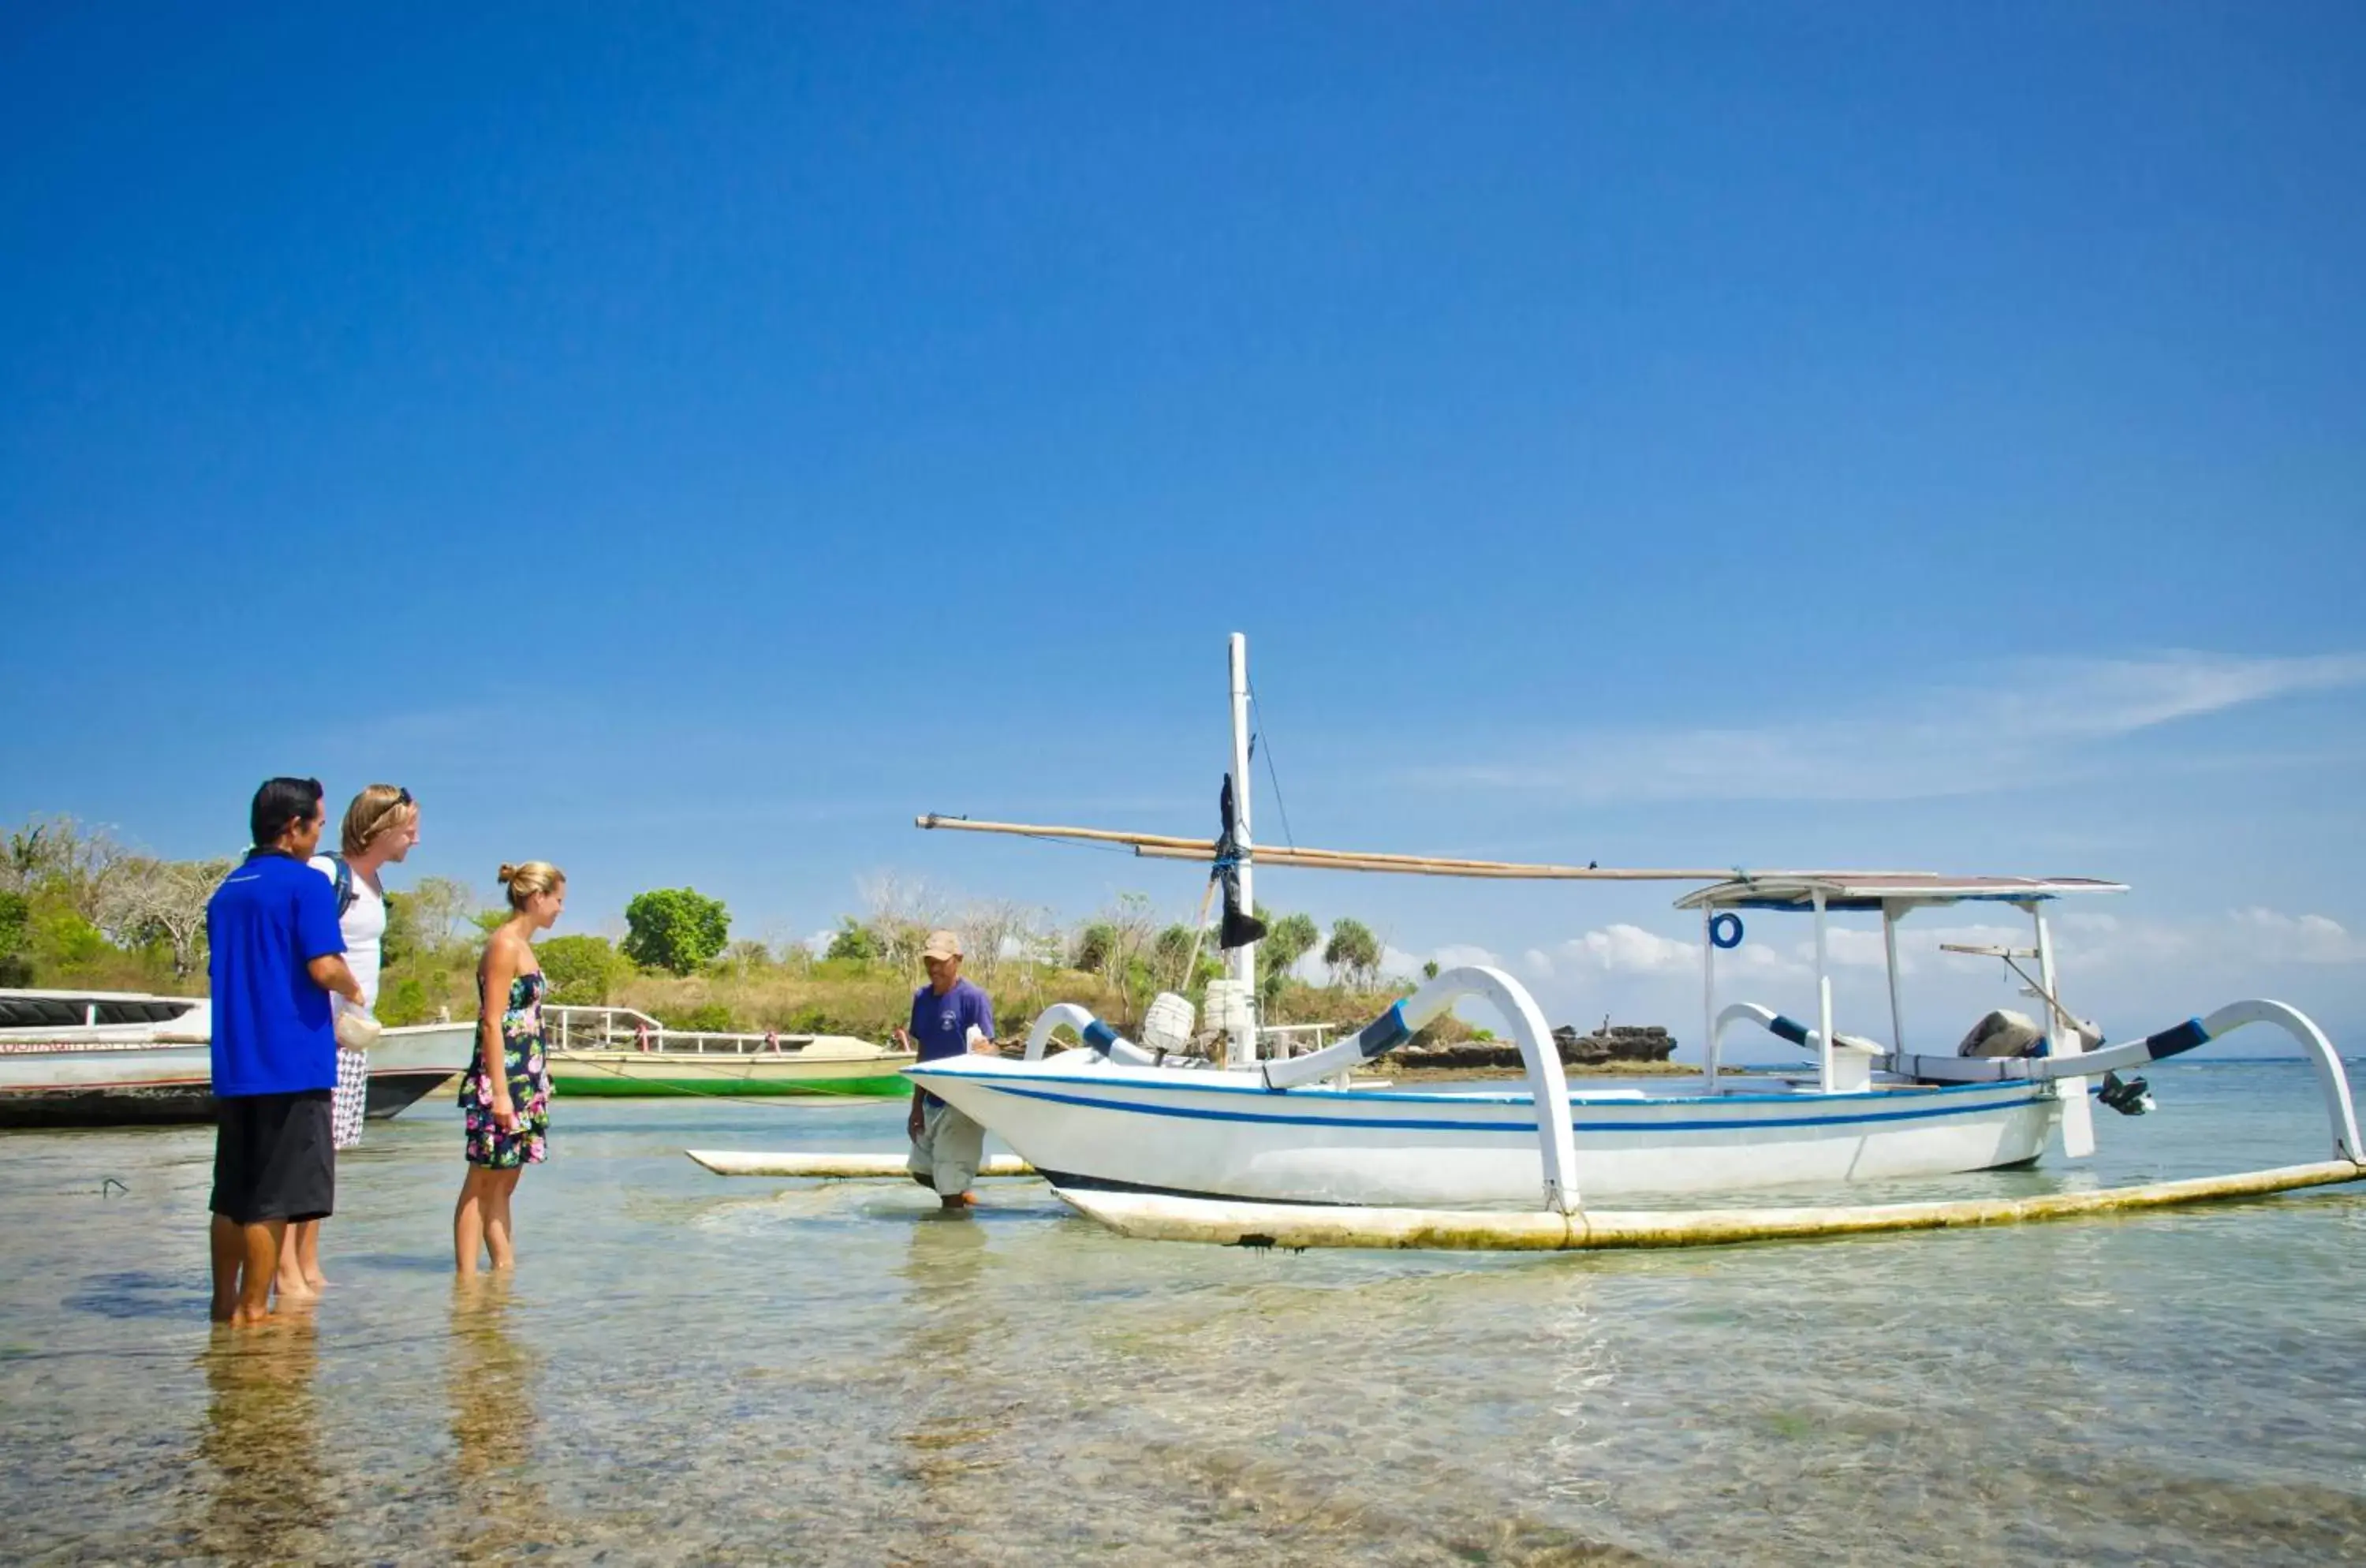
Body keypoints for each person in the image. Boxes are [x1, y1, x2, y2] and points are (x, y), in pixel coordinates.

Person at [206, 778, 362, 1326]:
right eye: (318, 825)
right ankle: (256, 1312)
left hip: (236, 1063)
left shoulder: (228, 889)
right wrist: (353, 986)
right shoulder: (305, 885)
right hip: (291, 1063)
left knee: (231, 1196)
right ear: (293, 828)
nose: (320, 835)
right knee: (273, 1198)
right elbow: (322, 966)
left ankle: (224, 1306)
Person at [274, 784, 420, 1300]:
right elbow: (302, 951)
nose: (415, 840)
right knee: (306, 1149)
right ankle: (285, 1265)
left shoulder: (374, 882)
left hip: (352, 1037)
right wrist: (347, 995)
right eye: (410, 828)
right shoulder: (327, 874)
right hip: (320, 1035)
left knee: (328, 1152)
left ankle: (308, 1260)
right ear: (381, 827)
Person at [453, 861, 564, 1274]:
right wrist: (499, 1093)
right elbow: (492, 1021)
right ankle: (465, 1281)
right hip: (503, 1080)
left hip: (527, 1080)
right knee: (481, 1180)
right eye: (558, 900)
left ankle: (502, 1272)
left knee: (506, 1181)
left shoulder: (525, 945)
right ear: (538, 897)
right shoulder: (504, 944)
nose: (560, 909)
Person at [894, 929, 997, 1208]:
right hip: (932, 1099)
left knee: (949, 1188)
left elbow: (990, 1048)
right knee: (921, 1172)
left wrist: (984, 1051)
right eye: (929, 961)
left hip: (964, 1101)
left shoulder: (973, 998)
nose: (934, 968)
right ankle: (962, 1199)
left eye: (941, 961)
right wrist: (916, 1106)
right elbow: (923, 1051)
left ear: (958, 960)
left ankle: (952, 1244)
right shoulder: (922, 998)